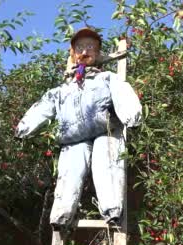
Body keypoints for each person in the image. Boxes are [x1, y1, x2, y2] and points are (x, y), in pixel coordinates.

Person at [16, 27, 142, 230]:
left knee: (107, 163)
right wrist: (24, 127)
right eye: (80, 48)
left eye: (90, 47)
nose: (85, 52)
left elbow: (122, 92)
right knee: (69, 172)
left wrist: (131, 116)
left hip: (105, 130)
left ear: (98, 53)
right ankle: (61, 216)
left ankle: (112, 211)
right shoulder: (63, 89)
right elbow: (43, 106)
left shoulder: (106, 78)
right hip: (73, 139)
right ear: (73, 54)